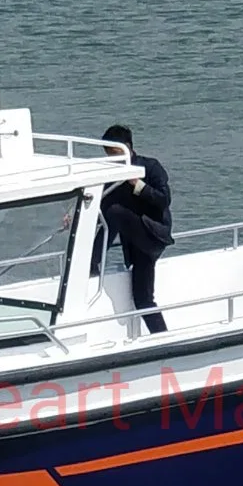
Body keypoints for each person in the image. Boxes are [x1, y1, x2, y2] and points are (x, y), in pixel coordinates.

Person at [95, 124, 173, 335]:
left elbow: (164, 200)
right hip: (135, 241)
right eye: (108, 154)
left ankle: (91, 262)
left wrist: (138, 185)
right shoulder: (111, 174)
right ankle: (163, 337)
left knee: (113, 212)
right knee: (143, 299)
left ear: (127, 148)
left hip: (153, 234)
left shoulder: (150, 167)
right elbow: (99, 204)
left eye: (113, 153)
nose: (111, 159)